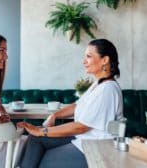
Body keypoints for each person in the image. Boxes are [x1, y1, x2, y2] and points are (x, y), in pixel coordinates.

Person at [17, 39, 123, 168]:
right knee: (34, 139)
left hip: (95, 147)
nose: (84, 61)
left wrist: (42, 131)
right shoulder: (98, 84)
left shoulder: (108, 89)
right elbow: (78, 105)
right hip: (83, 138)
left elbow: (82, 127)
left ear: (105, 60)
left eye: (89, 56)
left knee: (43, 159)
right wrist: (54, 115)